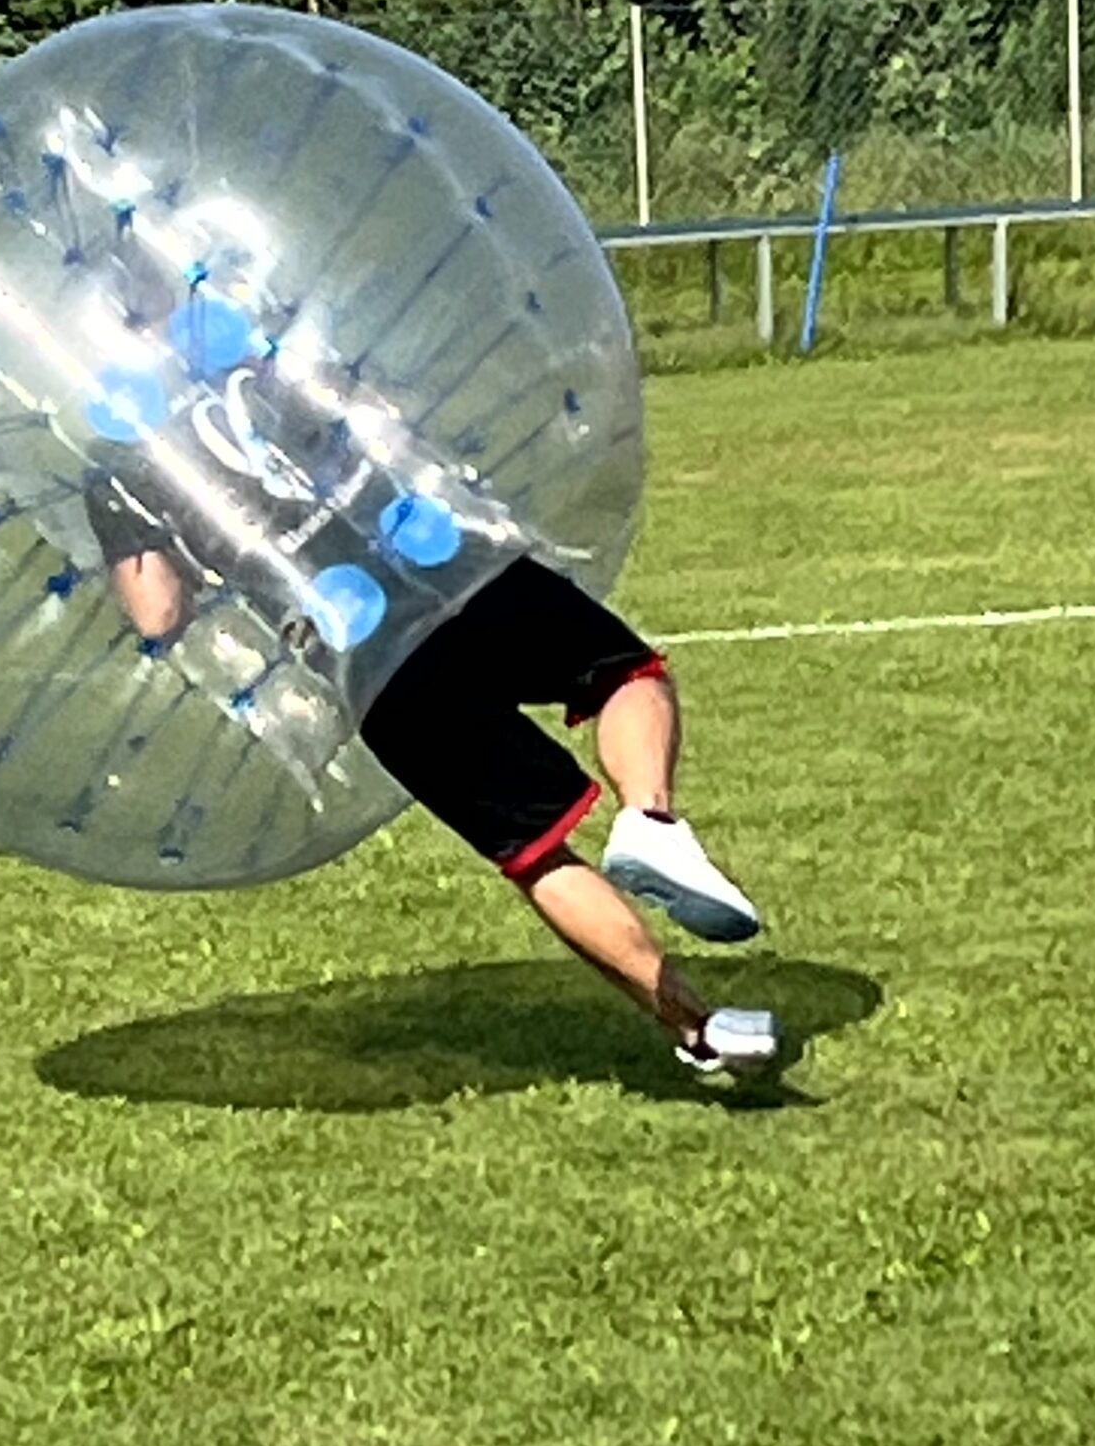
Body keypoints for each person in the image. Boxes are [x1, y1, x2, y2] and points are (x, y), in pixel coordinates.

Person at [84, 382, 777, 1082]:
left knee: (534, 852)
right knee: (626, 677)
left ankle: (700, 1029)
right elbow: (385, 410)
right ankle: (648, 819)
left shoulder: (120, 471)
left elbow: (157, 612)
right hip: (454, 571)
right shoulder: (254, 354)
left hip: (364, 657)